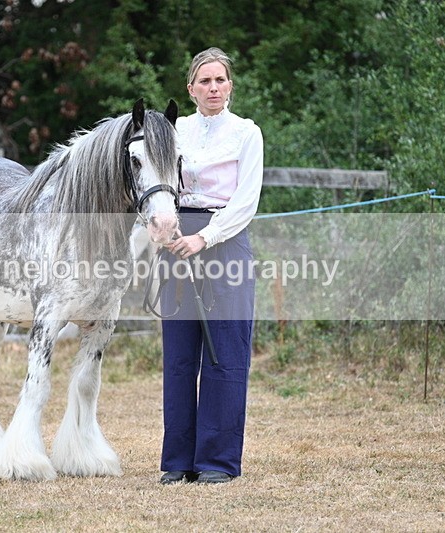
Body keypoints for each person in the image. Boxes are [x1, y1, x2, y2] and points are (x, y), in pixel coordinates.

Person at [158, 47, 264, 484]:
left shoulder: (246, 133)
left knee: (224, 353)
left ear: (230, 86)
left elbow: (246, 201)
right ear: (191, 89)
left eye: (220, 80)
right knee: (180, 356)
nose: (213, 87)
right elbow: (156, 181)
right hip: (177, 241)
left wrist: (205, 237)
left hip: (223, 241)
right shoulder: (174, 130)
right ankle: (178, 461)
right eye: (205, 81)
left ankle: (216, 462)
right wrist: (165, 230)